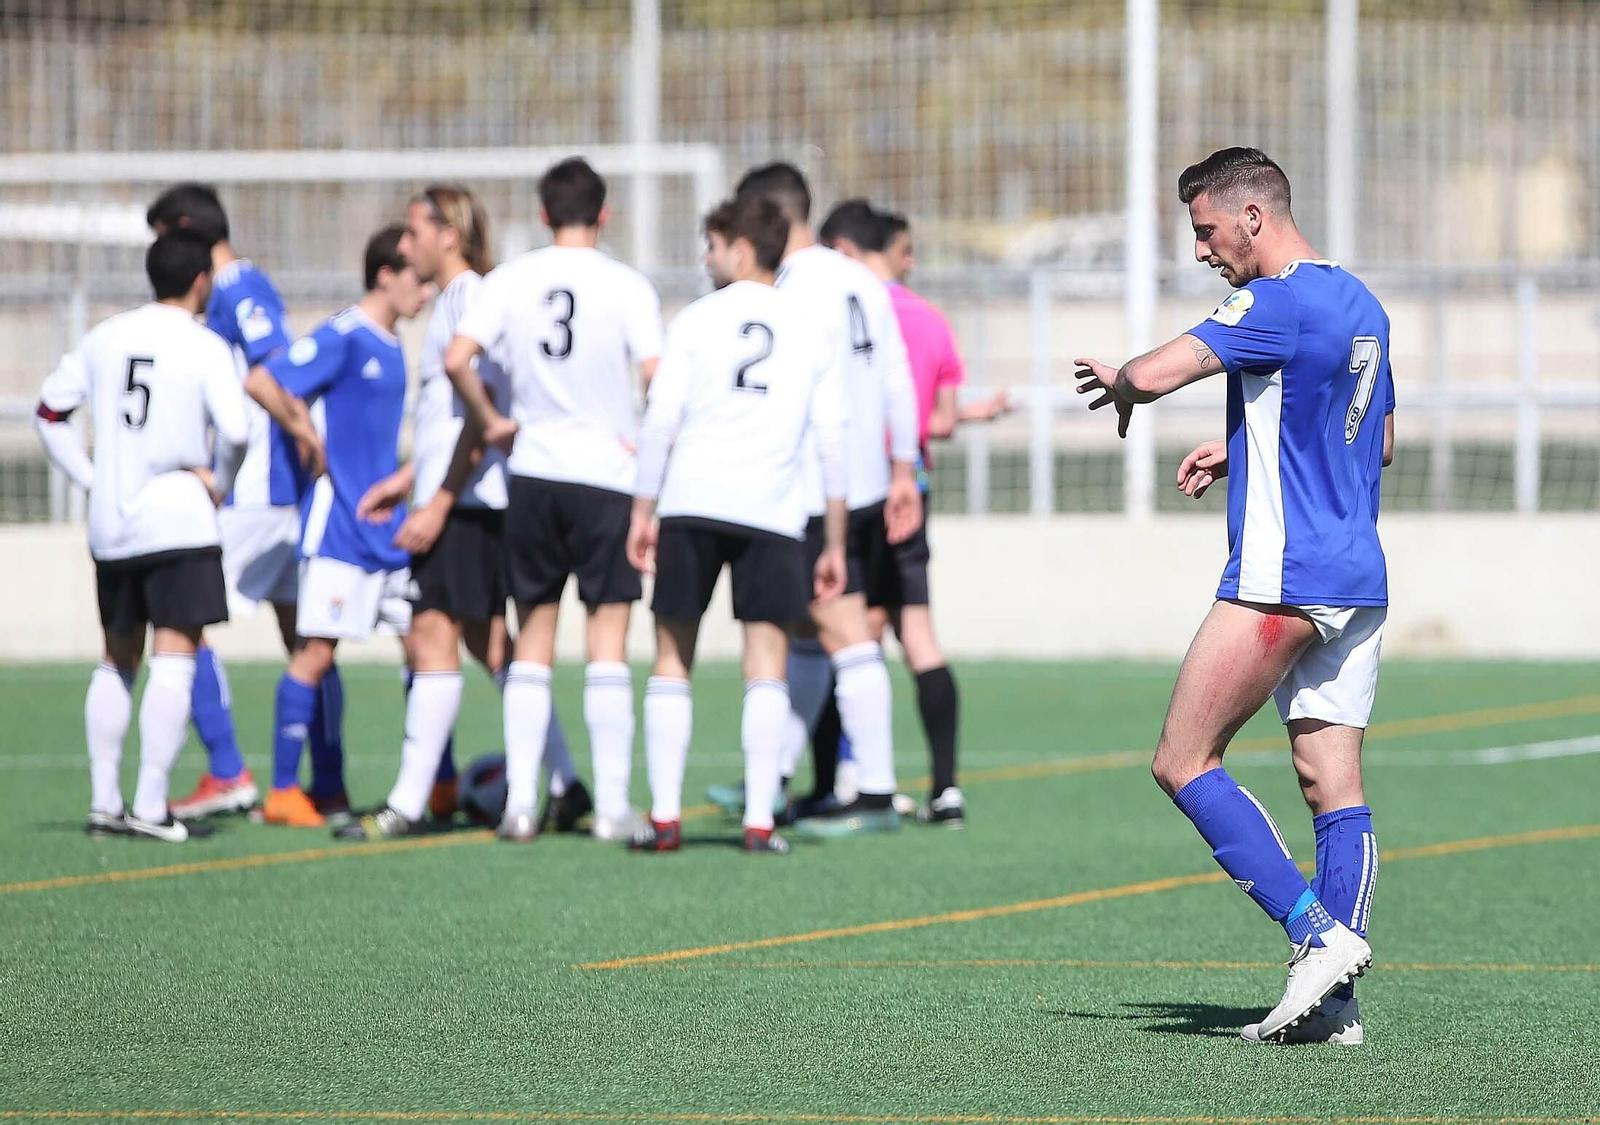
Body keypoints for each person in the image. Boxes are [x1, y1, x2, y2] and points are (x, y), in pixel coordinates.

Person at [1074, 147, 1392, 1044]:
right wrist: (1242, 449)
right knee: (1332, 785)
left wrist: (1123, 383)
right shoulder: (1360, 300)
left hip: (1282, 576)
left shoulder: (1271, 298)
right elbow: (1378, 438)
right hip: (1356, 573)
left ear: (1253, 216)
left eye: (1207, 230)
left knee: (1183, 759)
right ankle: (1334, 1006)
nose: (1204, 251)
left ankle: (1314, 932)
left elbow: (1156, 369)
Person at [343, 185, 592, 840]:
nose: (405, 244)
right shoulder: (465, 298)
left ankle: (409, 802)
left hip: (470, 502)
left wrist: (440, 501)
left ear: (447, 233)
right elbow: (456, 418)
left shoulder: (468, 298)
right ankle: (565, 781)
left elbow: (485, 410)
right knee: (495, 647)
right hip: (469, 495)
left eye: (414, 230)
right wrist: (410, 478)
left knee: (433, 634)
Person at [444, 157, 664, 842]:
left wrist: (492, 421)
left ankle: (518, 806)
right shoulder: (628, 285)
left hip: (533, 474)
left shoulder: (512, 278)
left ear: (542, 214)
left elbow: (457, 358)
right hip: (606, 478)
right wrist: (647, 452)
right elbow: (657, 380)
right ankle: (611, 809)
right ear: (604, 214)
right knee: (607, 642)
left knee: (532, 640)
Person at [627, 197, 848, 855]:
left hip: (691, 503)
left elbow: (659, 420)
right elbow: (831, 438)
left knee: (672, 656)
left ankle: (665, 818)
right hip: (772, 513)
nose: (706, 257)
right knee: (766, 663)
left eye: (713, 245)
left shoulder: (694, 319)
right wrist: (833, 540)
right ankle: (759, 822)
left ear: (743, 249)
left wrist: (643, 509)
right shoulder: (808, 327)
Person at [35, 230, 249, 842]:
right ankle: (152, 805)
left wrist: (93, 479)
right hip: (179, 519)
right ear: (202, 281)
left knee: (116, 658)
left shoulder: (106, 336)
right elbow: (236, 430)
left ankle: (105, 801)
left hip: (114, 525)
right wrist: (220, 485)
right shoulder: (204, 344)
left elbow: (49, 413)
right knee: (175, 657)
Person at [731, 165, 921, 838]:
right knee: (814, 631)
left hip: (817, 485)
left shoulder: (787, 287)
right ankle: (775, 772)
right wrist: (902, 470)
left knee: (834, 627)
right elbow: (896, 374)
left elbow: (788, 391)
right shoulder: (861, 279)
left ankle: (873, 788)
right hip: (866, 480)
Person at [818, 201, 1010, 827]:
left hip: (848, 490)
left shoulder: (832, 305)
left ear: (842, 249)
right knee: (918, 634)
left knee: (846, 636)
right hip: (910, 488)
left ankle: (842, 781)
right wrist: (975, 415)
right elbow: (941, 419)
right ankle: (945, 789)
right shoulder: (929, 319)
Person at [244, 224, 428, 828]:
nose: (424, 293)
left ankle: (437, 780)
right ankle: (282, 791)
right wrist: (303, 432)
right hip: (340, 531)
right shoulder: (346, 334)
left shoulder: (391, 341)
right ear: (385, 275)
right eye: (416, 280)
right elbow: (263, 380)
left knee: (428, 652)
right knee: (315, 653)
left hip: (389, 531)